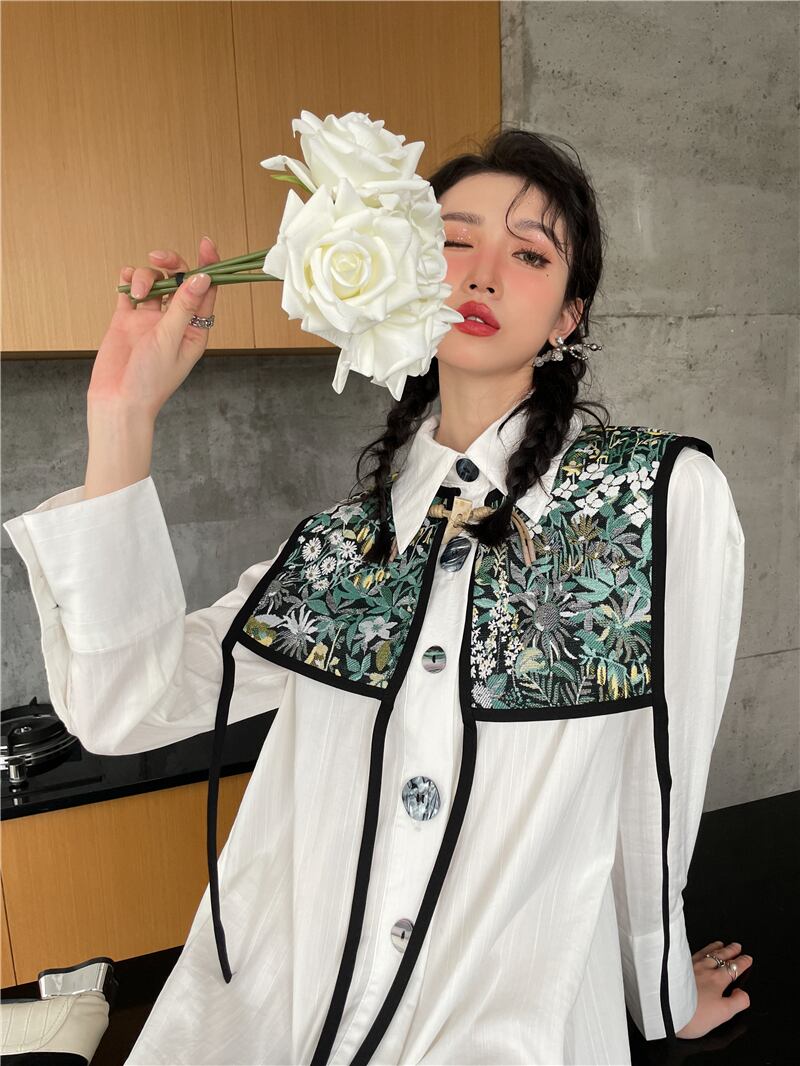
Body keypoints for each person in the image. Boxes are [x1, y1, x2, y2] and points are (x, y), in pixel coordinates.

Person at [2, 127, 750, 1065]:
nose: (482, 275)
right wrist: (123, 415)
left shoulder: (652, 499)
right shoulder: (339, 549)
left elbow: (657, 781)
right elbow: (123, 706)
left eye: (529, 254)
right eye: (452, 240)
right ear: (406, 274)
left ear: (569, 315)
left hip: (508, 1019)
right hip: (281, 1011)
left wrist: (660, 991)